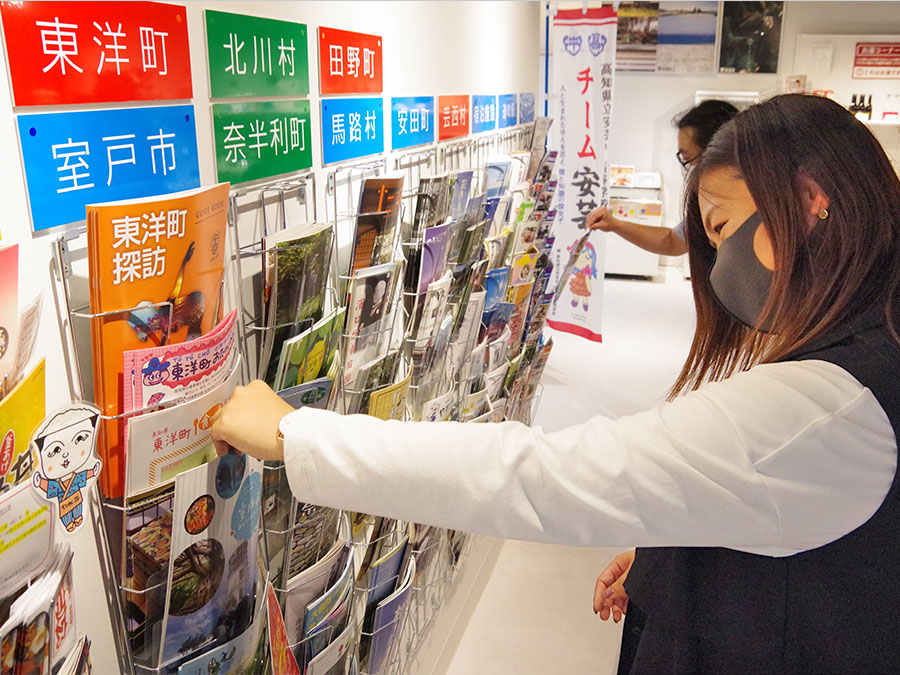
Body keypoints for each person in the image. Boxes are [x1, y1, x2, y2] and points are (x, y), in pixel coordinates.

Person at [211, 94, 900, 672]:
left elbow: (542, 476)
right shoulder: (871, 348)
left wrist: (294, 433)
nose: (719, 269)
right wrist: (685, 543)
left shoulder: (830, 408)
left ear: (809, 201)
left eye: (721, 231)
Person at [587, 99, 738, 256]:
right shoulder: (704, 204)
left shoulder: (753, 204)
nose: (691, 168)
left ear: (717, 154)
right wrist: (615, 224)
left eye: (689, 158)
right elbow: (673, 241)